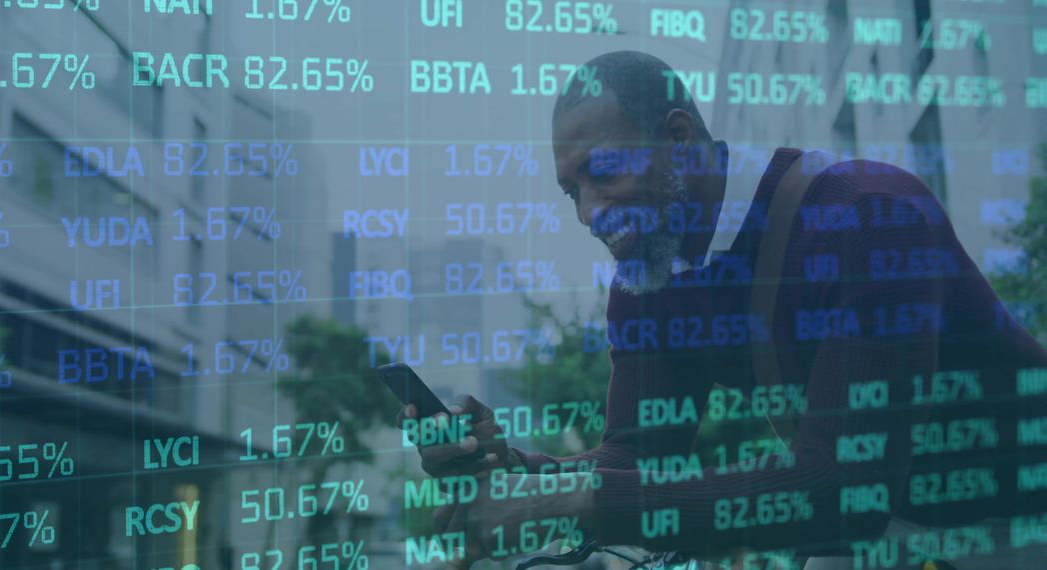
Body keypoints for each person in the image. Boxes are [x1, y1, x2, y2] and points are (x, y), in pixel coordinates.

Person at [397, 51, 1047, 569]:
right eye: (572, 190)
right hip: (880, 525)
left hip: (1019, 517)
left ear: (680, 137)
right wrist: (519, 476)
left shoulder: (864, 215)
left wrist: (570, 497)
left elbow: (846, 487)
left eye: (604, 174)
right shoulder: (646, 282)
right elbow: (633, 464)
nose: (589, 214)